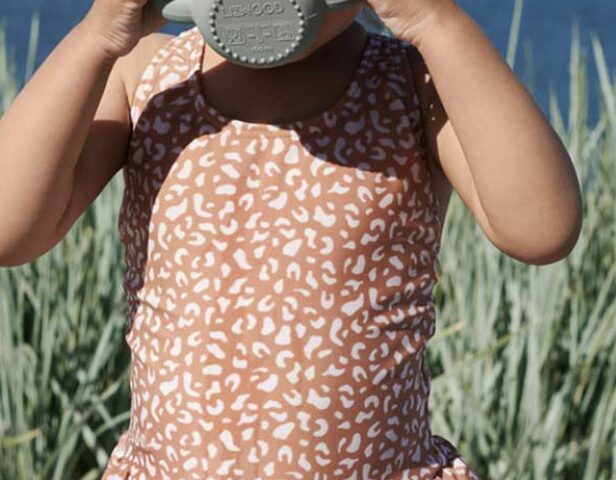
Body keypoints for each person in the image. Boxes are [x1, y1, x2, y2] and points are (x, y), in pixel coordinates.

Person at [0, 0, 583, 478]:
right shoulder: (146, 75)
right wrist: (98, 36)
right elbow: (10, 230)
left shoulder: (410, 82)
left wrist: (435, 21)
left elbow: (541, 230)